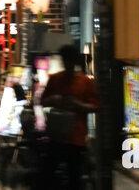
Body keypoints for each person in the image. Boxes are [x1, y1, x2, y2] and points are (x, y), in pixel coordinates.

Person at [40, 44, 100, 189]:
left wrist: (78, 105)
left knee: (74, 177)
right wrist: (54, 99)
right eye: (65, 60)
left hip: (76, 138)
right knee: (49, 176)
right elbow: (42, 101)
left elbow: (96, 107)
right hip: (57, 135)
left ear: (75, 61)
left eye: (69, 60)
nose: (67, 64)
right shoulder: (54, 79)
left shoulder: (85, 81)